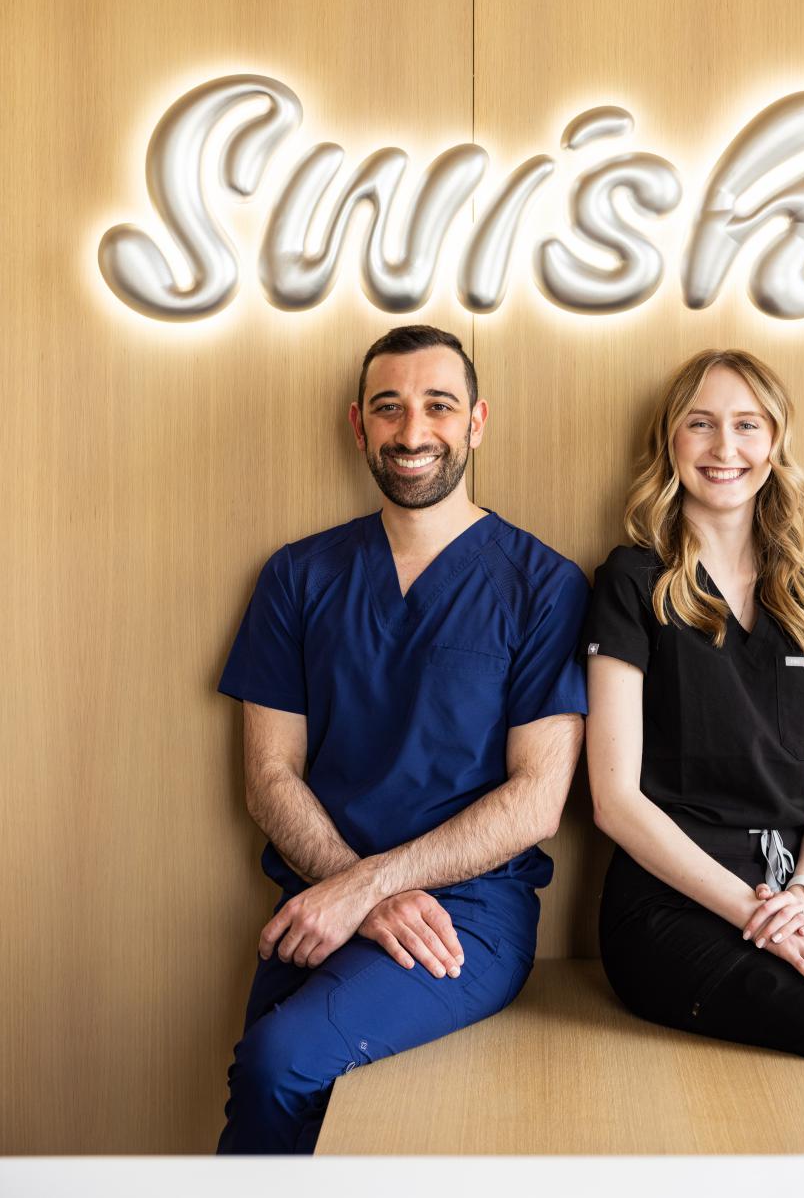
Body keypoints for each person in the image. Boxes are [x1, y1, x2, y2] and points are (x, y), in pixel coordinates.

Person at [216, 324, 588, 1155]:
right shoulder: (297, 576)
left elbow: (536, 799)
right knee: (266, 1084)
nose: (413, 432)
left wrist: (369, 887)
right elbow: (269, 775)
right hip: (320, 894)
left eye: (438, 406)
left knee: (280, 1062)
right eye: (389, 408)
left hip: (470, 915)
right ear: (359, 425)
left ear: (477, 421)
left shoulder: (543, 584)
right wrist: (356, 888)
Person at [582, 347, 804, 1139]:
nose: (724, 447)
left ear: (774, 442)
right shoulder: (631, 582)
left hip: (787, 901)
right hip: (667, 910)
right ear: (670, 442)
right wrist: (750, 910)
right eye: (700, 423)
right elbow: (615, 801)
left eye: (745, 425)